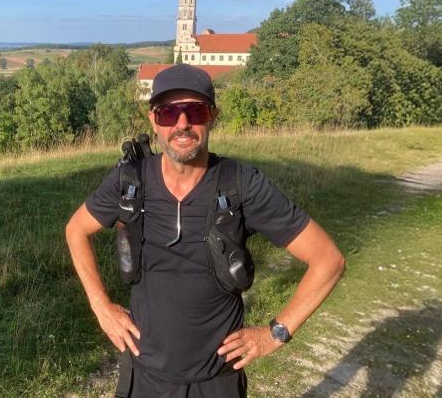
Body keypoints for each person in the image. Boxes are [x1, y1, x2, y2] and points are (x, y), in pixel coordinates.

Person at [63, 64, 346, 397]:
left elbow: (328, 260)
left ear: (212, 116)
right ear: (153, 120)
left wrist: (275, 334)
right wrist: (100, 305)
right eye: (169, 112)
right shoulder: (131, 181)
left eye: (195, 111)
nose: (182, 123)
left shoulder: (241, 185)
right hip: (143, 376)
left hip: (216, 381)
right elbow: (76, 229)